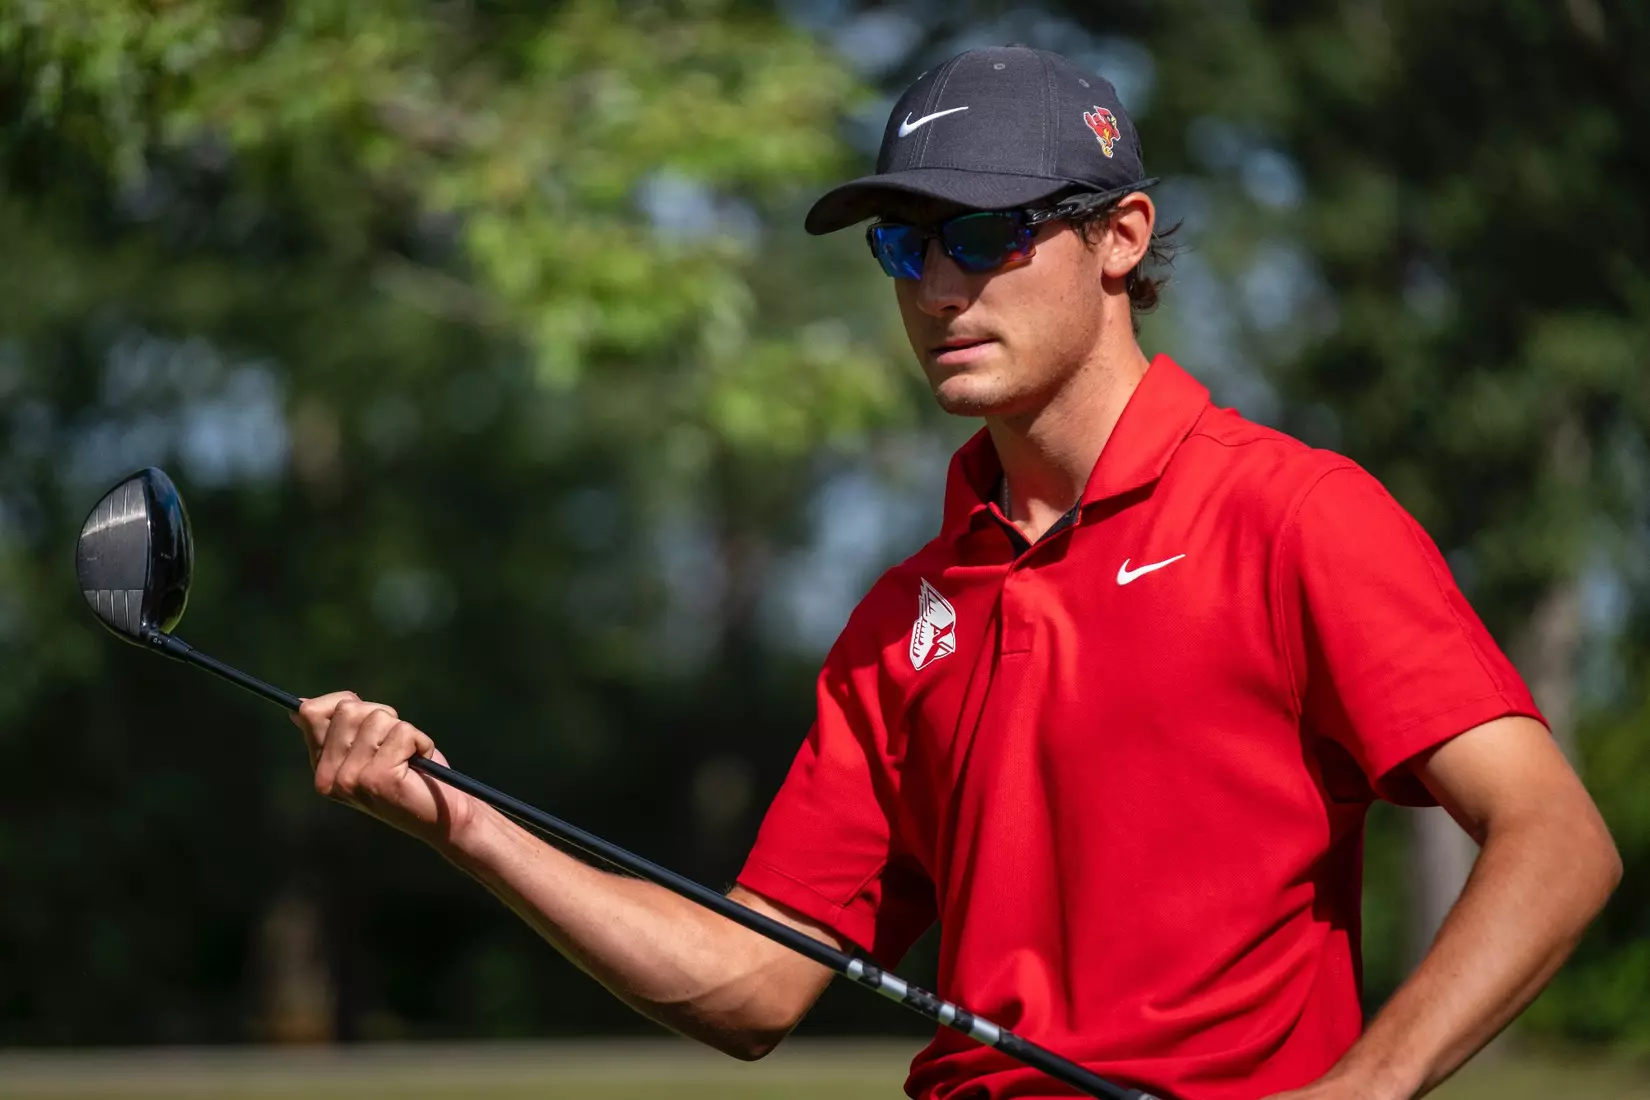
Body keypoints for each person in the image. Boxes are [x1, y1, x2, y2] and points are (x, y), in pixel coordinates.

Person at [289, 46, 1620, 1100]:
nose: (935, 286)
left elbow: (1553, 842)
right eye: (902, 246)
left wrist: (1362, 1090)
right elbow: (750, 984)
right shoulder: (894, 622)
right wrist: (460, 820)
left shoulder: (1289, 514)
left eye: (984, 237)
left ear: (1119, 238)